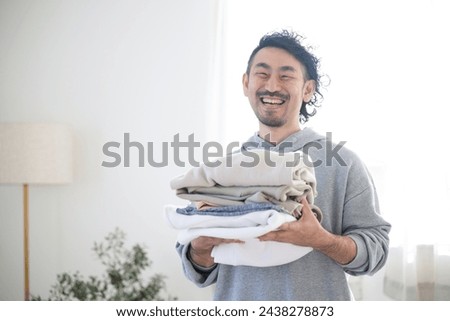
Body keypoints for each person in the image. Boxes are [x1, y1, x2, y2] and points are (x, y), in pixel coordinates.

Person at [175, 30, 391, 300]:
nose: (272, 86)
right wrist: (200, 247)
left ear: (308, 89)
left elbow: (377, 252)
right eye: (262, 74)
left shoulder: (343, 163)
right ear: (246, 83)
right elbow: (198, 271)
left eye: (286, 75)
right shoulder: (221, 170)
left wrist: (321, 240)